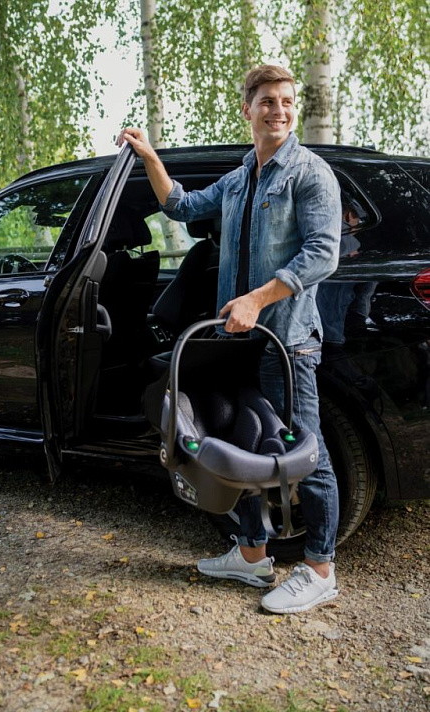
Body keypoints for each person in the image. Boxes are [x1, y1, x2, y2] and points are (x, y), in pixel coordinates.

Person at [117, 64, 342, 614]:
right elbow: (182, 206)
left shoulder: (310, 174)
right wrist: (149, 157)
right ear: (248, 110)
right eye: (267, 101)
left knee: (305, 453)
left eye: (286, 101)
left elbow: (322, 253)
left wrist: (256, 299)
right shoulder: (241, 177)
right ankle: (251, 555)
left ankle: (320, 570)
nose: (279, 110)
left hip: (286, 341)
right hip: (238, 340)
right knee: (242, 442)